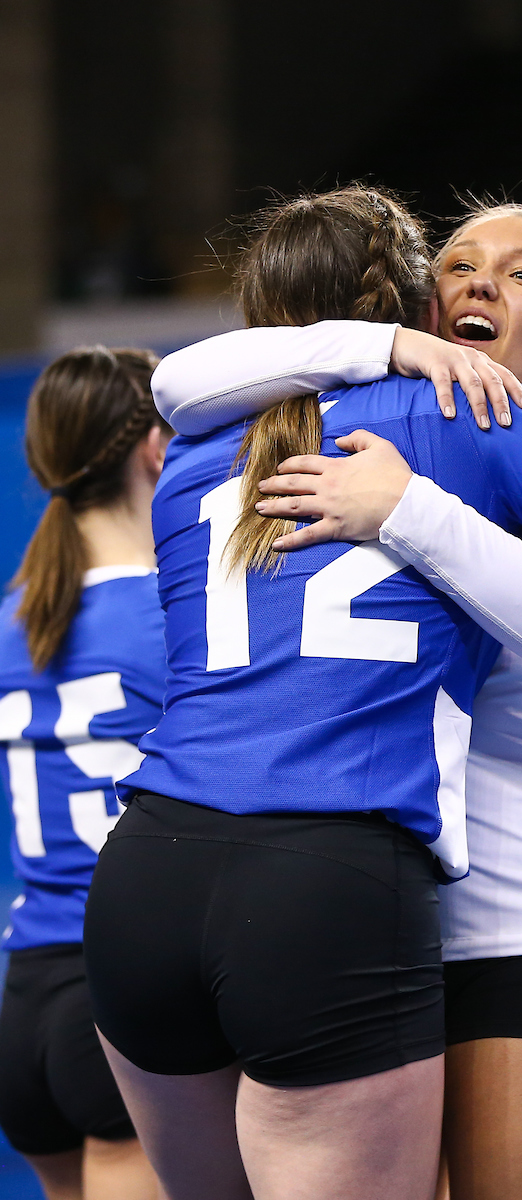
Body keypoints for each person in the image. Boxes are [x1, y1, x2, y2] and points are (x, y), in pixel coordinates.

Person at [143, 197, 522, 1200]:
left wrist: (407, 512)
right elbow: (178, 379)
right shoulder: (389, 426)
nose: (479, 283)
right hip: (373, 915)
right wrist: (384, 348)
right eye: (459, 265)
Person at [0, 347, 170, 1200]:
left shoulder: (15, 620)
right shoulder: (182, 615)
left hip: (23, 998)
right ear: (154, 449)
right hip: (119, 1003)